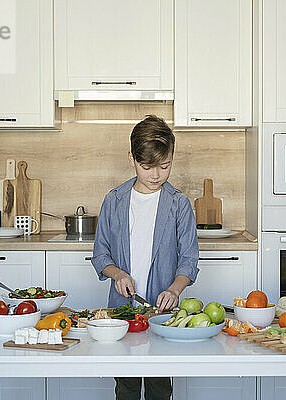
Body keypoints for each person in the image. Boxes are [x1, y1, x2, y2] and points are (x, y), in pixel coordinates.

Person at [92, 114, 200, 400]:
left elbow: (189, 258)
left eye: (164, 166)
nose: (156, 175)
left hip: (162, 315)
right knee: (125, 386)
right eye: (147, 166)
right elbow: (100, 253)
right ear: (132, 158)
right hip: (122, 313)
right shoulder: (114, 200)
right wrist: (118, 274)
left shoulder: (178, 204)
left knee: (159, 387)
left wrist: (175, 289)